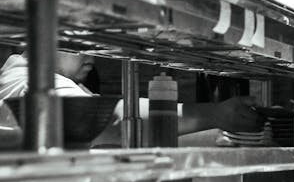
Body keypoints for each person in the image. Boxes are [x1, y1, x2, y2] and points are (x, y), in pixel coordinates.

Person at [0, 50, 263, 139]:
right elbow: (111, 122)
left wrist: (223, 135)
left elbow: (124, 138)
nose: (92, 56)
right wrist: (216, 114)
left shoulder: (69, 86)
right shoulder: (27, 82)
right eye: (79, 45)